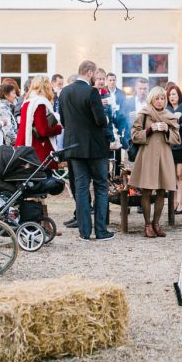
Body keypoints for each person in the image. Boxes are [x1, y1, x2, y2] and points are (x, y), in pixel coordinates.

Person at [59, 60, 114, 241]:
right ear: (89, 73)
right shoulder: (91, 92)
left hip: (74, 147)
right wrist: (106, 117)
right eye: (95, 73)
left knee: (81, 188)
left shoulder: (65, 92)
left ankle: (84, 232)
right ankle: (101, 231)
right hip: (94, 147)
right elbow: (100, 120)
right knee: (100, 186)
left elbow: (64, 121)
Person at [129, 86, 181, 238]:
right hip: (147, 155)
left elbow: (177, 139)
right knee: (146, 191)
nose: (160, 101)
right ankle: (147, 225)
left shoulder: (169, 116)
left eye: (162, 98)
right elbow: (134, 136)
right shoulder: (143, 114)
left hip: (164, 156)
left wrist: (167, 130)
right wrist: (150, 129)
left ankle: (156, 224)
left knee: (161, 191)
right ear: (151, 99)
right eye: (157, 98)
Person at [16, 76, 63, 162]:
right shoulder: (40, 103)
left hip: (23, 143)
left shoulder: (27, 101)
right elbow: (43, 131)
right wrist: (59, 127)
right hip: (37, 148)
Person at [166, 83, 182, 213]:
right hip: (169, 145)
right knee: (171, 175)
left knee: (180, 174)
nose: (172, 97)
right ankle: (173, 202)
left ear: (179, 95)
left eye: (174, 94)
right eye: (170, 95)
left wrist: (179, 124)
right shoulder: (166, 109)